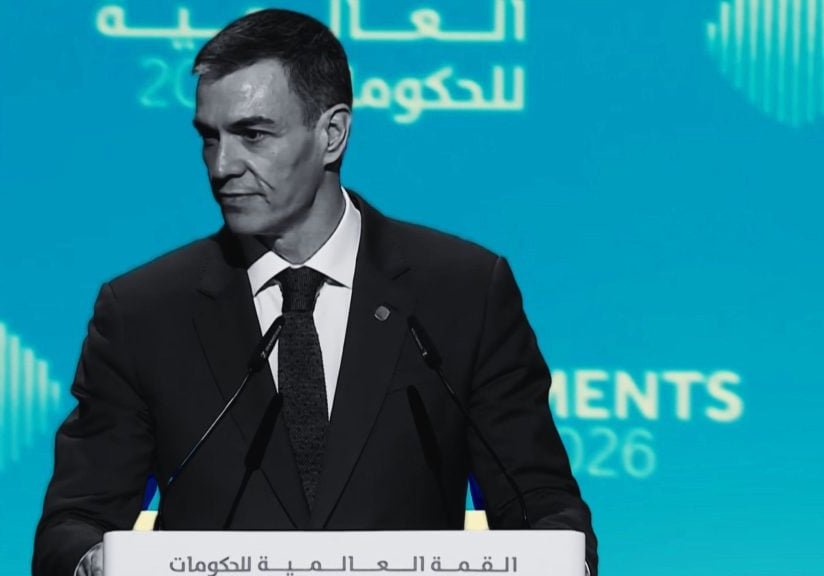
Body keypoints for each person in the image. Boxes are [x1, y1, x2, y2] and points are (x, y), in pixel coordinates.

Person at [33, 9, 597, 576]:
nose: (223, 166)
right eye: (210, 138)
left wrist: (563, 559)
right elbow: (73, 523)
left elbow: (542, 508)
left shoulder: (462, 291)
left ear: (332, 134)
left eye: (253, 134)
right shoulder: (144, 312)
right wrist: (90, 561)